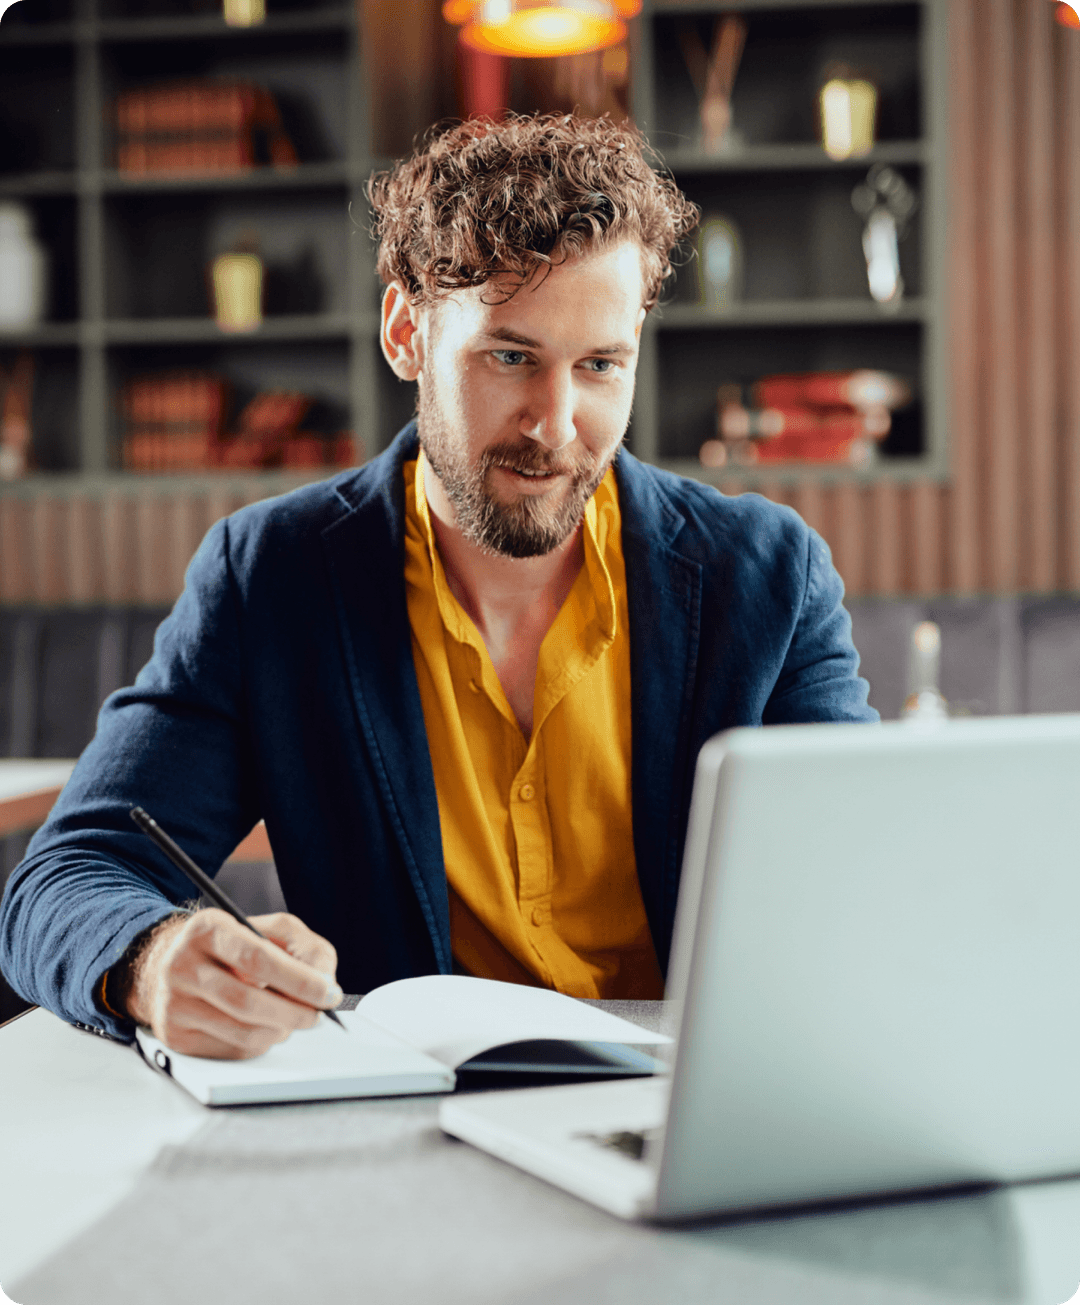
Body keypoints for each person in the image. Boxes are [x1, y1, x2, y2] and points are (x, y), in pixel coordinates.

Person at [0, 114, 877, 1060]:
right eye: (510, 356)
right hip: (414, 1122)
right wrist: (154, 956)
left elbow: (872, 883)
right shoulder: (273, 579)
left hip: (697, 1109)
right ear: (406, 332)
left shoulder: (768, 577)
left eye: (599, 366)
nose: (555, 422)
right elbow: (67, 875)